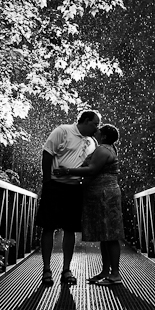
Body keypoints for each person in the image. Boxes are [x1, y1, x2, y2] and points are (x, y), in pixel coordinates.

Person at [53, 124, 123, 286]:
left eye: (99, 130)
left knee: (111, 235)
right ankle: (106, 271)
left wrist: (67, 171)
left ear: (104, 136)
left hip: (105, 195)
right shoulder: (107, 149)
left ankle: (115, 275)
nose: (95, 130)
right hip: (103, 194)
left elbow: (92, 169)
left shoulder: (102, 150)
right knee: (106, 235)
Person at [37, 110, 101, 285]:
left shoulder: (92, 142)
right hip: (55, 186)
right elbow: (47, 153)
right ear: (86, 121)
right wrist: (47, 181)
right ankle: (46, 270)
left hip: (75, 189)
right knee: (48, 227)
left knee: (70, 229)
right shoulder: (63, 131)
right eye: (95, 123)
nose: (97, 127)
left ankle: (66, 270)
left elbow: (91, 166)